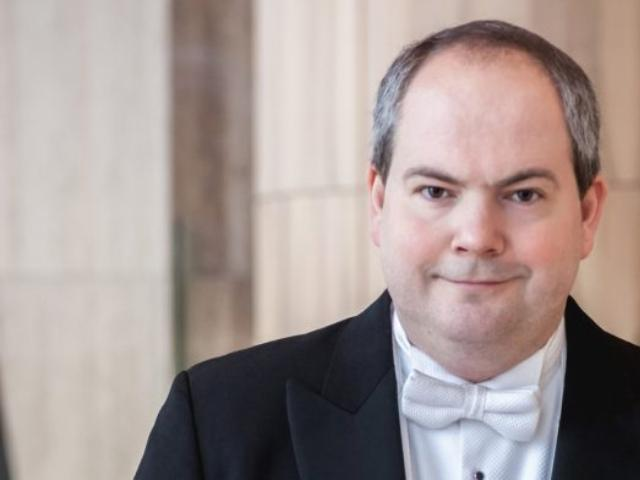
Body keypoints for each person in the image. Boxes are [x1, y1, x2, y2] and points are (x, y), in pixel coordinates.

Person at [136, 20, 640, 480]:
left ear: (587, 214)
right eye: (436, 191)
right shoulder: (215, 422)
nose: (476, 236)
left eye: (523, 194)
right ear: (378, 204)